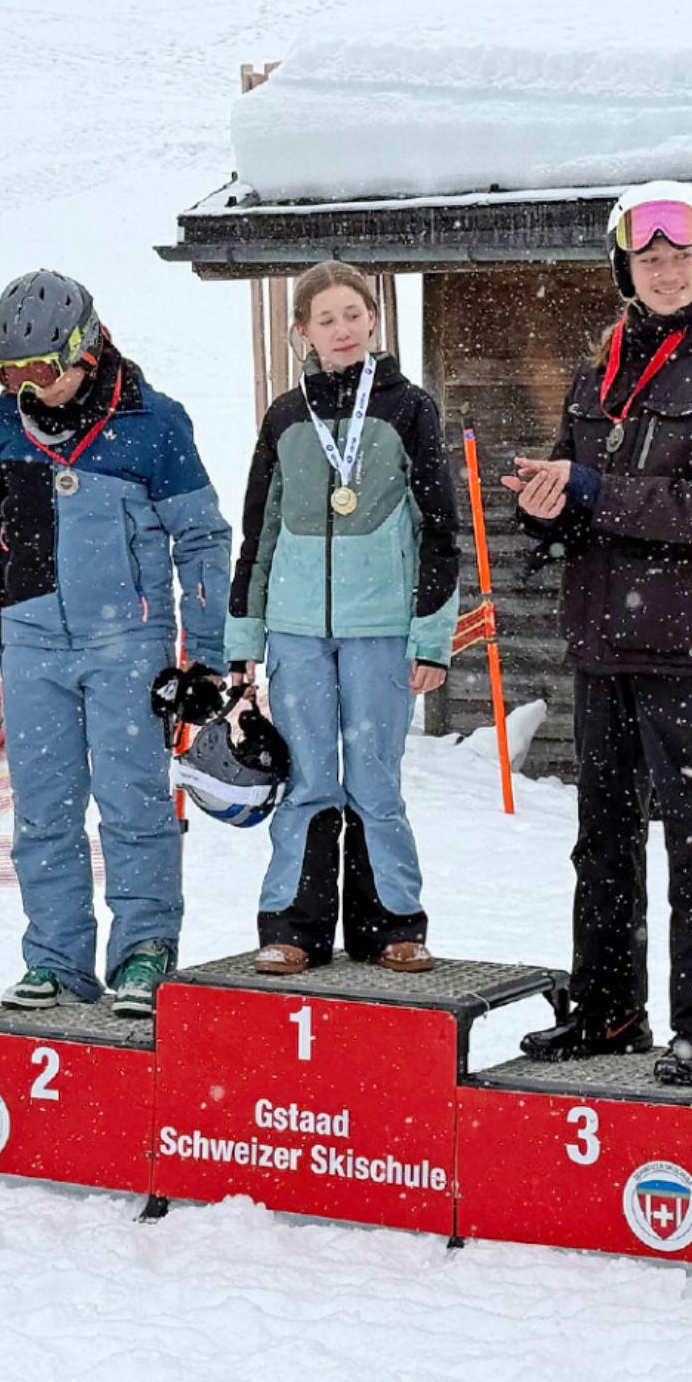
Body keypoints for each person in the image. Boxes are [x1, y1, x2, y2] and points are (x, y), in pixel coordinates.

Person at [504, 181, 692, 1083]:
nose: (665, 270)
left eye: (681, 256)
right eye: (649, 257)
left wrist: (591, 493)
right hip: (601, 639)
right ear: (627, 267)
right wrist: (548, 506)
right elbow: (580, 489)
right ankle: (608, 1008)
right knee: (603, 834)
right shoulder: (601, 367)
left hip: (689, 643)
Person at [0, 270, 231, 1018]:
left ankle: (144, 948)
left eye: (41, 370)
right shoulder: (2, 429)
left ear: (85, 347)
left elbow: (202, 539)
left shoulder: (154, 424)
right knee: (42, 810)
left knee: (133, 801)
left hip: (127, 642)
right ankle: (55, 958)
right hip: (33, 641)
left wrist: (204, 656)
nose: (29, 388)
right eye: (9, 375)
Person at [226, 261, 459, 975]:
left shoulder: (409, 408)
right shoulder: (285, 417)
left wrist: (432, 640)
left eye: (353, 315)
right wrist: (244, 642)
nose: (343, 330)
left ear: (372, 321)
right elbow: (257, 534)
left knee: (376, 782)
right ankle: (293, 928)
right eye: (326, 319)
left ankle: (391, 925)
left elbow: (440, 532)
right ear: (304, 332)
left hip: (382, 630)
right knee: (309, 780)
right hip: (296, 633)